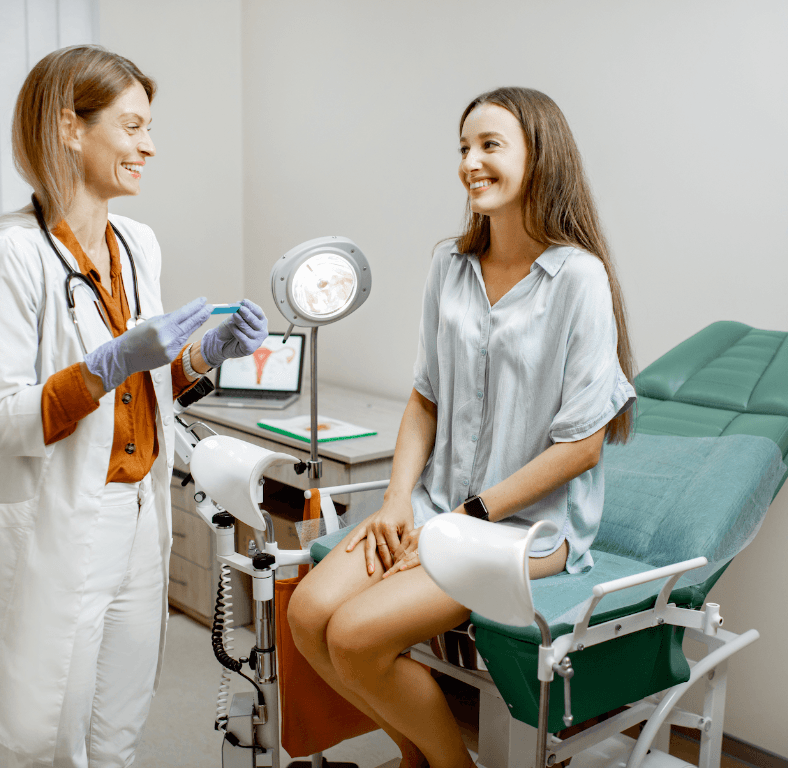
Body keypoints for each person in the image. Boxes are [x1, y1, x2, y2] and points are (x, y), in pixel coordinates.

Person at [0, 45, 268, 767]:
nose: (150, 145)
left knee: (118, 730)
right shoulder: (8, 257)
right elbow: (1, 420)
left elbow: (147, 388)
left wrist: (208, 355)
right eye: (133, 125)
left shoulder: (137, 244)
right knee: (56, 734)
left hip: (141, 517)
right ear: (70, 128)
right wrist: (105, 366)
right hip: (65, 524)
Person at [287, 87, 637, 768]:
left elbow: (582, 445)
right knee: (307, 615)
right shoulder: (449, 266)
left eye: (490, 146)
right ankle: (419, 756)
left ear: (540, 158)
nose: (470, 162)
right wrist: (396, 503)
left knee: (356, 636)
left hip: (523, 530)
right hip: (435, 505)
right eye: (464, 148)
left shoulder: (578, 280)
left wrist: (464, 520)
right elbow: (425, 399)